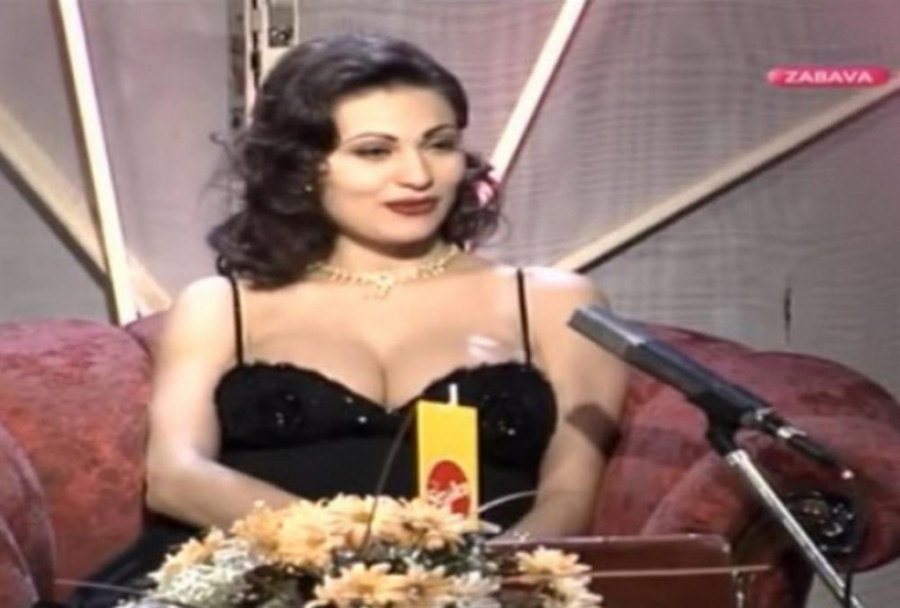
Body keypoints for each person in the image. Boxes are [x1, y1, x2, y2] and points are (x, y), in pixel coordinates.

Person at [62, 33, 627, 607]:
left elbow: (569, 492)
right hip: (251, 584)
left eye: (439, 144)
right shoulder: (221, 305)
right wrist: (364, 559)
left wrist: (474, 583)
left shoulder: (553, 303)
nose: (418, 175)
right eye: (375, 151)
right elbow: (176, 476)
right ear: (306, 167)